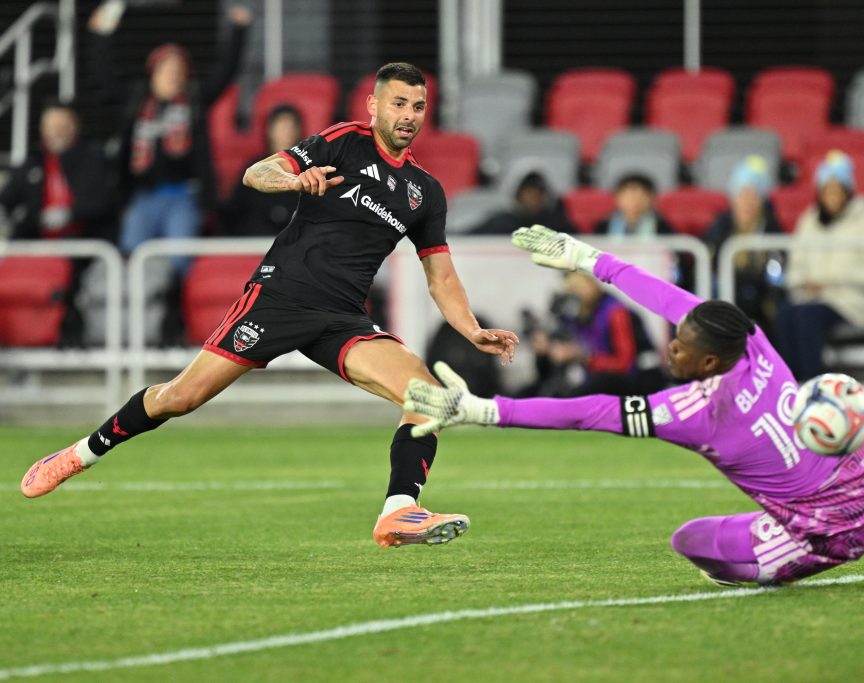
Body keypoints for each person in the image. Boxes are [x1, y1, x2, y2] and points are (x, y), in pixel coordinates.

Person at [20, 62, 520, 550]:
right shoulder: (344, 141)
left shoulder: (425, 192)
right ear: (373, 105)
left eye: (418, 105)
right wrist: (294, 180)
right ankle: (80, 453)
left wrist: (471, 328)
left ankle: (397, 513)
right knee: (180, 398)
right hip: (280, 298)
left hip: (343, 318)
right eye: (398, 103)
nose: (409, 114)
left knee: (427, 397)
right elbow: (258, 172)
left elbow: (441, 273)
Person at [403, 225, 864, 586]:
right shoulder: (750, 343)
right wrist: (592, 260)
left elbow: (588, 411)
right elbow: (675, 300)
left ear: (706, 364)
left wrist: (483, 410)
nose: (672, 346)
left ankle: (777, 564)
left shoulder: (691, 414)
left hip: (825, 530)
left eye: (682, 347)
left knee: (692, 541)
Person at [86, 2, 251, 275]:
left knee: (179, 261)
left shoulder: (195, 101)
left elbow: (226, 73)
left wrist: (239, 30)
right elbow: (104, 76)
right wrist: (100, 35)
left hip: (183, 196)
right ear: (152, 74)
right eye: (166, 69)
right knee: (129, 256)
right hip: (143, 197)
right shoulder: (136, 102)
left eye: (179, 70)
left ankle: (173, 315)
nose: (173, 75)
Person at [774, 151, 864, 381]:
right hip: (811, 297)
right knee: (785, 313)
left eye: (837, 190)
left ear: (847, 191)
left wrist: (833, 280)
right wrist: (804, 283)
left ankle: (815, 386)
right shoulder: (808, 221)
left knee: (807, 316)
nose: (832, 196)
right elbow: (796, 265)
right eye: (827, 190)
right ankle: (790, 385)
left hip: (854, 301)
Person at [0, 102, 118, 346]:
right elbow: (8, 198)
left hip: (83, 240)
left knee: (69, 270)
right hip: (38, 241)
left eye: (62, 125)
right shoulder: (34, 161)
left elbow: (104, 203)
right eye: (51, 126)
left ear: (75, 126)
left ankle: (69, 332)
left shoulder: (93, 157)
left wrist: (70, 213)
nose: (56, 131)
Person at [522, 270, 665, 397]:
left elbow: (625, 364)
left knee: (578, 393)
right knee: (531, 391)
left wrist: (582, 357)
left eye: (579, 286)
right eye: (571, 288)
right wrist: (547, 346)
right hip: (602, 375)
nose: (575, 292)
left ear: (593, 285)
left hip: (640, 380)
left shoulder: (615, 312)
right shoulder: (580, 314)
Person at [704, 155, 784, 337]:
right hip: (723, 300)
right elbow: (707, 263)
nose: (748, 202)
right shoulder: (720, 227)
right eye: (743, 195)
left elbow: (777, 273)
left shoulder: (771, 228)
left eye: (753, 196)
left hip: (759, 302)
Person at [220, 104, 304, 237]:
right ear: (270, 130)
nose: (287, 132)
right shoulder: (255, 169)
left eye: (291, 127)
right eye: (282, 127)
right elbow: (235, 211)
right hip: (255, 243)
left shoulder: (309, 170)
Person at [471, 172, 574, 235]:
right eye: (529, 195)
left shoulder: (556, 224)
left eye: (537, 195)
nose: (533, 200)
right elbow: (466, 237)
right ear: (518, 197)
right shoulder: (502, 223)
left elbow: (579, 239)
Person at [594, 174, 673, 240]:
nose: (635, 202)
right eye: (630, 197)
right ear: (617, 198)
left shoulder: (662, 226)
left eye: (641, 197)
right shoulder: (603, 226)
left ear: (652, 199)